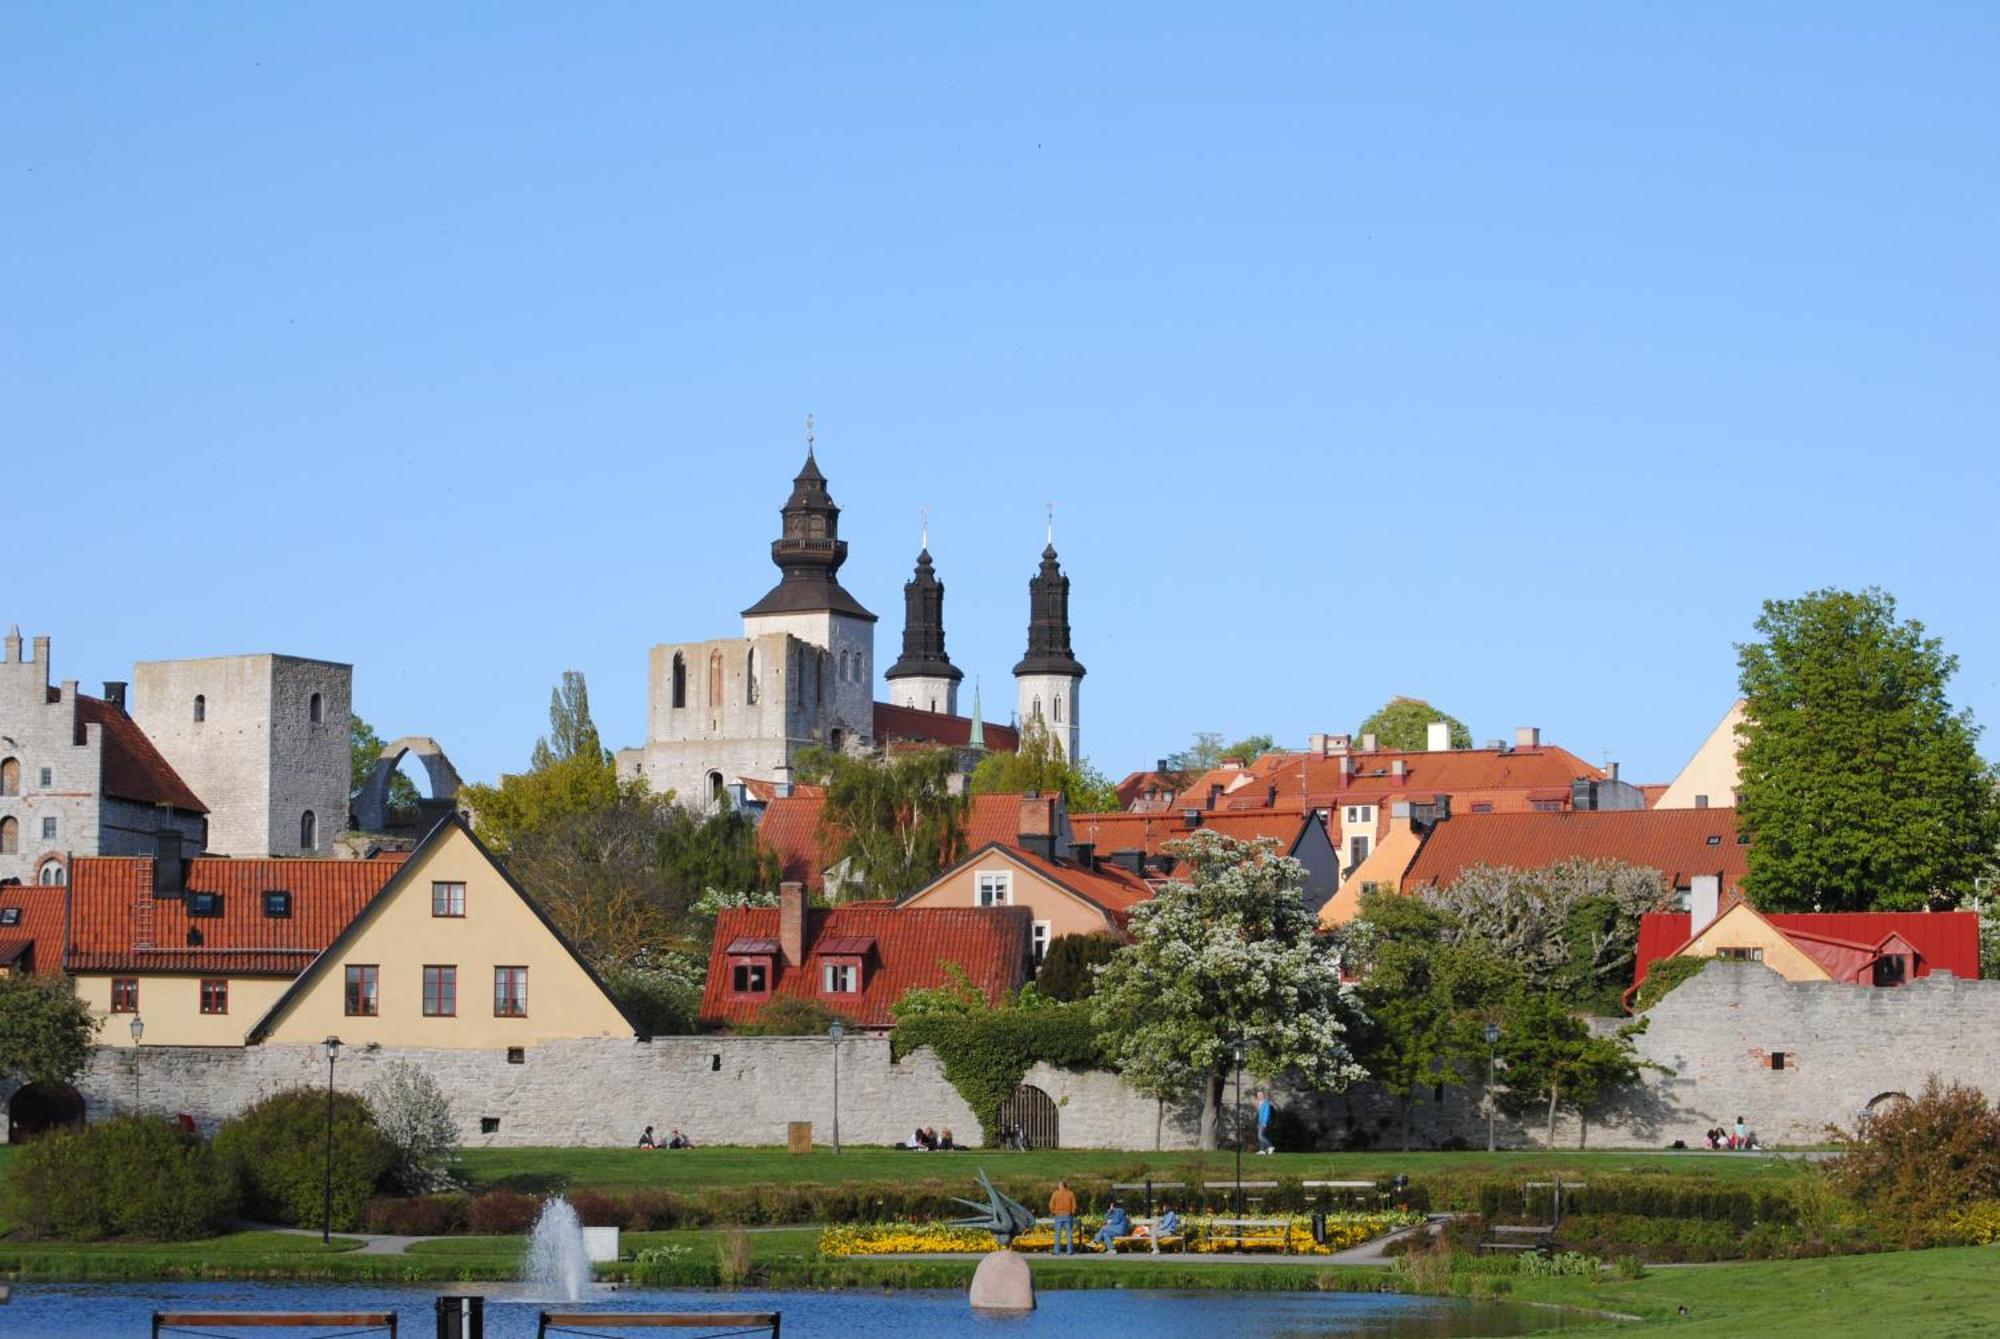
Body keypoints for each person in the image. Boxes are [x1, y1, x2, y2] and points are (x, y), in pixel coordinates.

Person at [1049, 1179, 1079, 1256]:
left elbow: (1051, 1204)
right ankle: (1069, 1251)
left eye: (1058, 1185)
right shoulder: (1070, 1194)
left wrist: (1053, 1212)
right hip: (1068, 1215)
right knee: (1069, 1234)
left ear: (1061, 1186)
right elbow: (1074, 1205)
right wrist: (1072, 1212)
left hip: (1058, 1215)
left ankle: (1056, 1251)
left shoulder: (1056, 1193)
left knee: (1057, 1234)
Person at [1256, 1090, 1276, 1155]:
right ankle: (1262, 1150)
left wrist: (1264, 1122)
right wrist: (1258, 1123)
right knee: (1263, 1135)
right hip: (1260, 1122)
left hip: (1264, 1122)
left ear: (1263, 1095)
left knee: (1260, 1135)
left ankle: (1270, 1146)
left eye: (1260, 1095)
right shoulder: (1260, 1103)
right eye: (1258, 1095)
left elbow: (1266, 1113)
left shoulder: (1266, 1103)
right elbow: (1260, 1115)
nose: (1259, 1096)